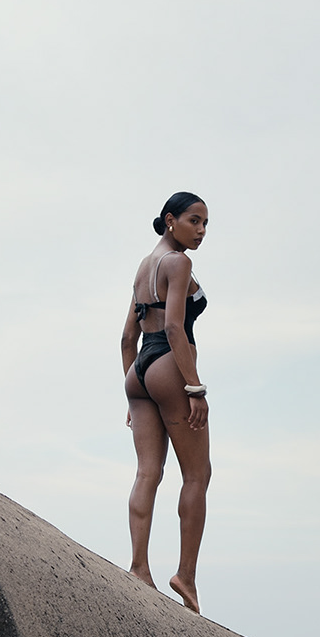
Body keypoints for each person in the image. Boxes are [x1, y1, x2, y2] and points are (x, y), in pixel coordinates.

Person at [122, 191, 211, 613]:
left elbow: (127, 337)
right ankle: (185, 576)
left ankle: (139, 566)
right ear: (170, 219)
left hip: (139, 371)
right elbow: (175, 328)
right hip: (168, 367)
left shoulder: (144, 267)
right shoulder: (178, 263)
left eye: (205, 224)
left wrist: (132, 393)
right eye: (194, 220)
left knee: (147, 472)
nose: (201, 230)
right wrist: (195, 388)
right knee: (197, 474)